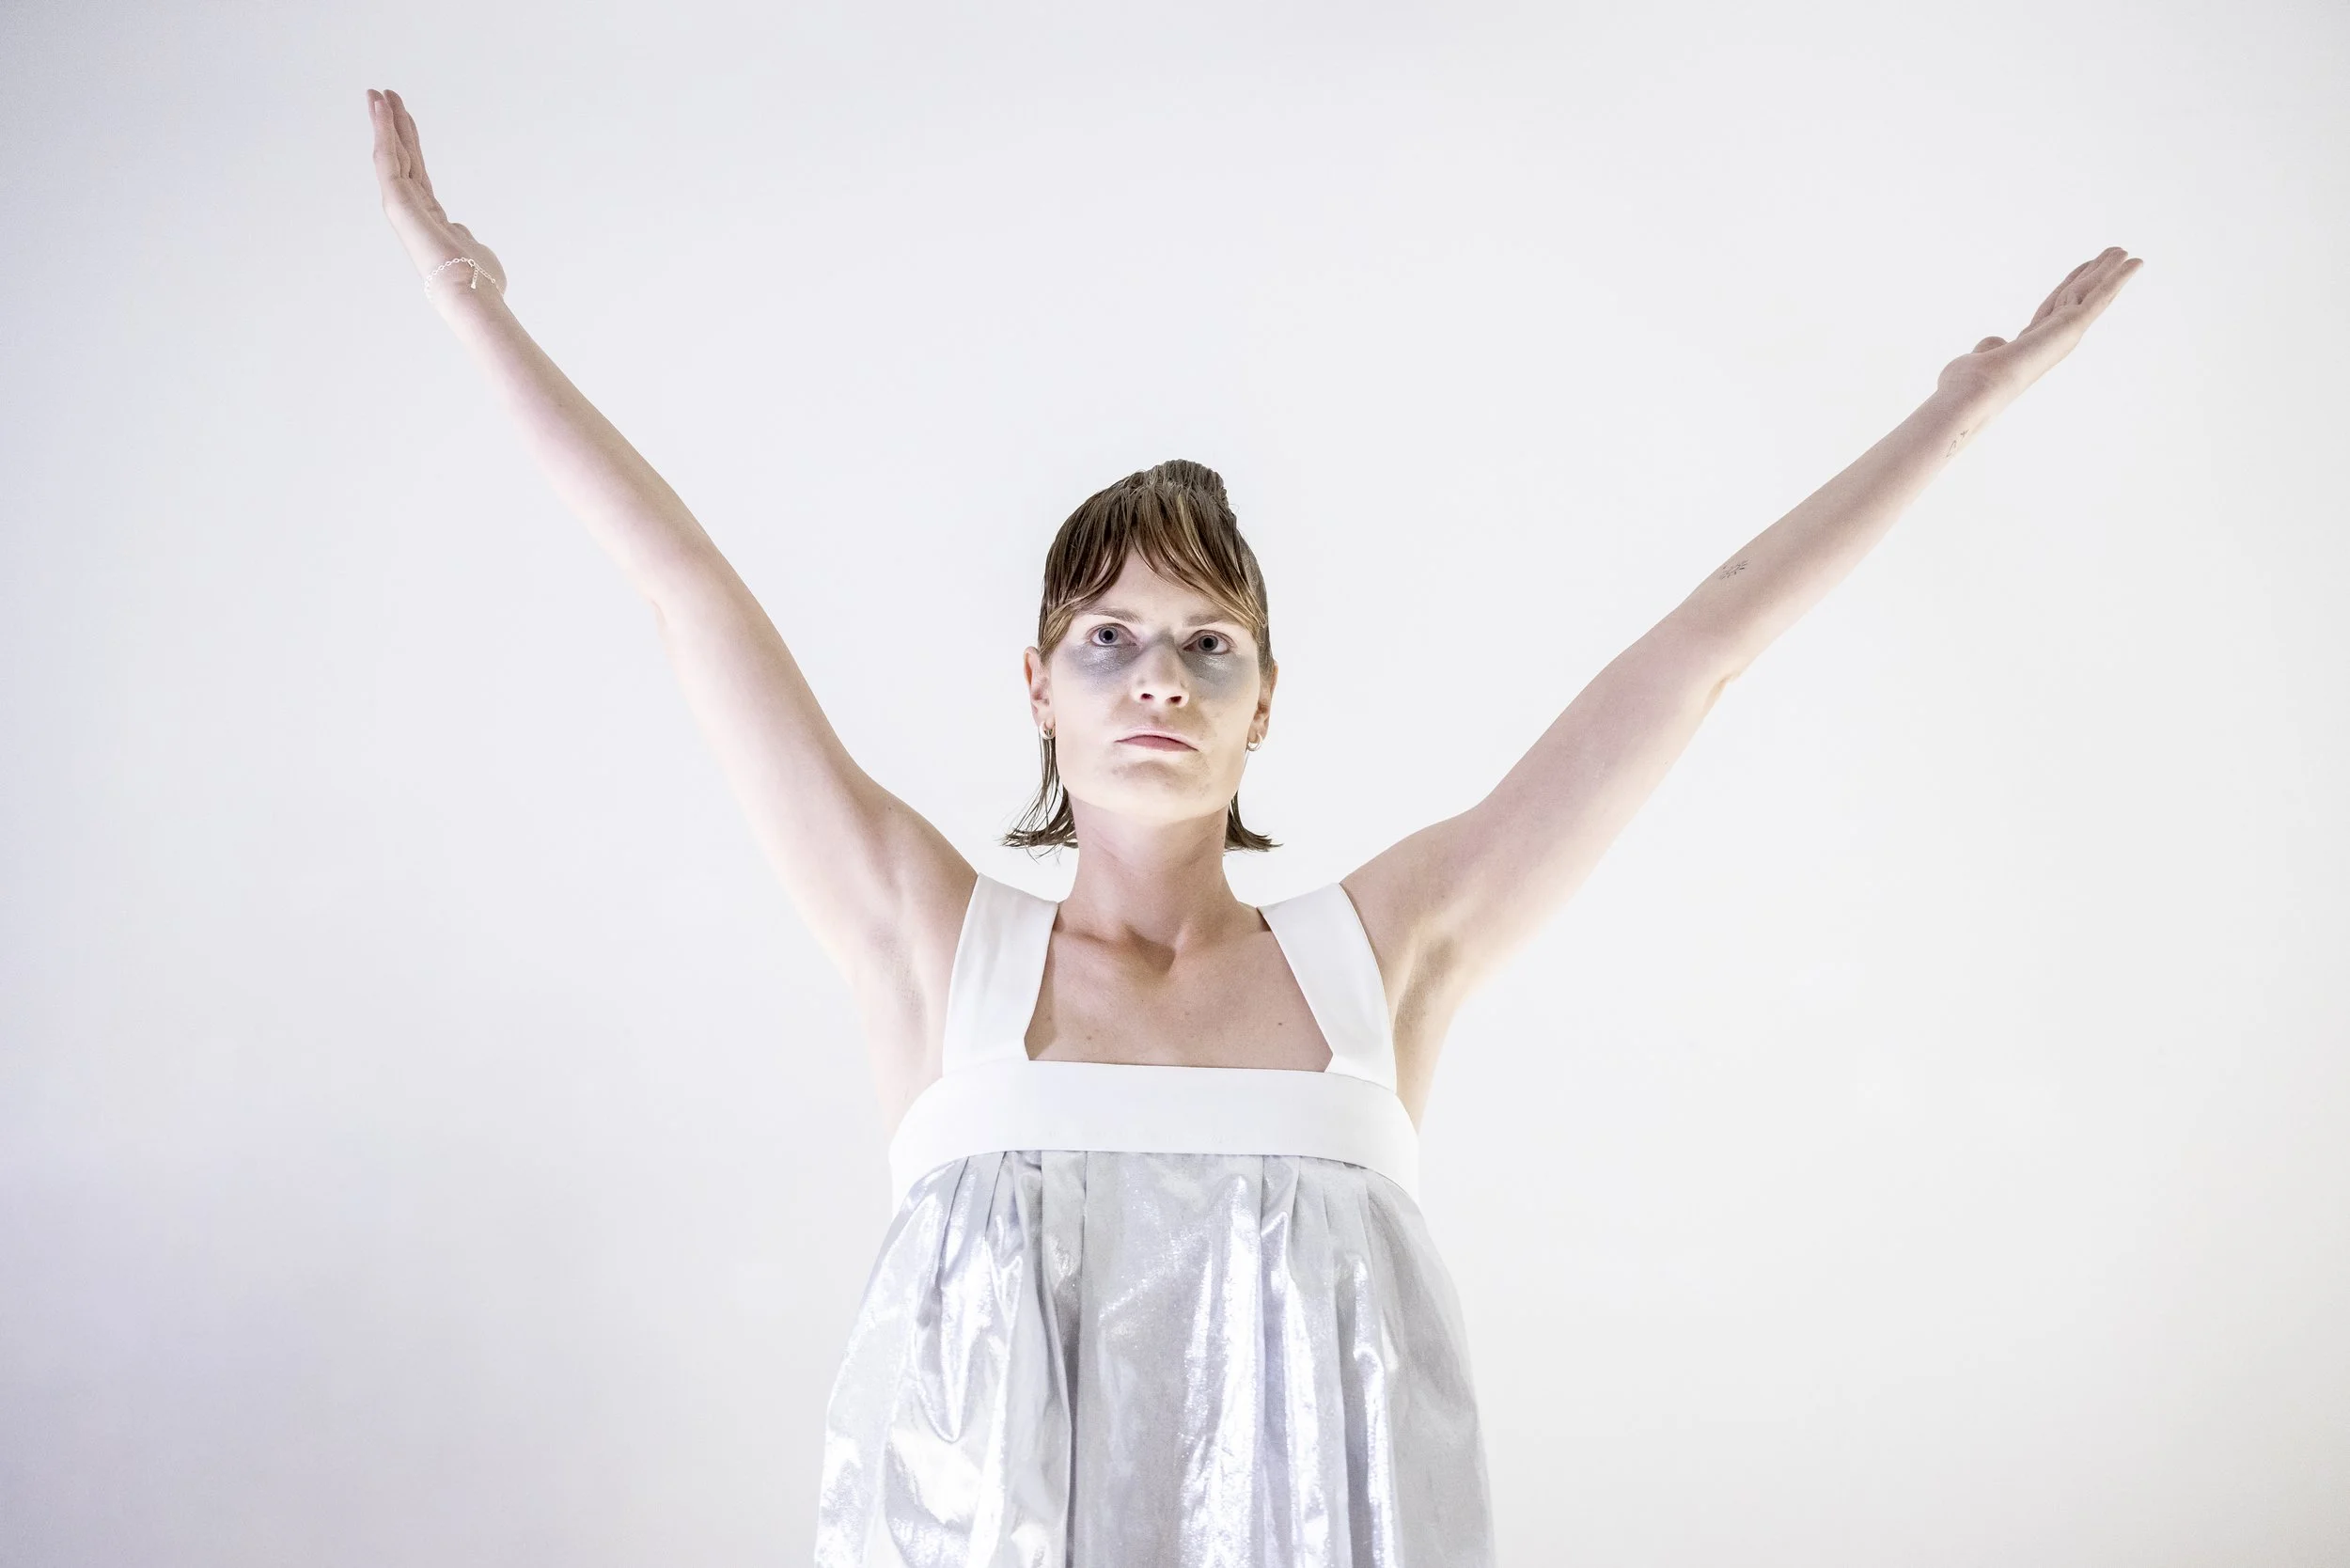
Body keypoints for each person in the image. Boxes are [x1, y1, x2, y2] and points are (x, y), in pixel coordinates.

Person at [366, 85, 2141, 1566]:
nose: (1160, 677)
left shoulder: (1383, 955)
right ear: (1041, 689)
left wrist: (1954, 412)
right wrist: (475, 310)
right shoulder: (932, 944)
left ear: (1266, 700)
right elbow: (687, 594)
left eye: (1210, 646)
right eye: (1110, 639)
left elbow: (1693, 663)